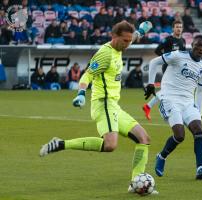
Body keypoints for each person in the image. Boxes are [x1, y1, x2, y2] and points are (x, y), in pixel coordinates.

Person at [39, 20, 156, 194]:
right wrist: (80, 94)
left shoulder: (121, 46)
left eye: (129, 40)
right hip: (103, 103)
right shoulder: (105, 54)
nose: (127, 44)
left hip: (113, 105)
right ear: (114, 36)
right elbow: (88, 74)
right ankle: (61, 144)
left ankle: (135, 182)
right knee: (110, 145)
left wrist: (141, 30)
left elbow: (133, 38)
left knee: (143, 138)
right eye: (125, 41)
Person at [144, 35, 202, 180]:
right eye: (198, 45)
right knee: (180, 135)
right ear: (191, 44)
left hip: (188, 102)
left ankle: (200, 168)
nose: (201, 49)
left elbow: (200, 91)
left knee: (198, 131)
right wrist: (150, 83)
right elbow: (154, 62)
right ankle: (161, 156)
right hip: (169, 98)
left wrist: (200, 112)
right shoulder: (177, 55)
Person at [143, 20, 186, 121]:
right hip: (168, 68)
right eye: (177, 27)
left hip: (177, 69)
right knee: (169, 90)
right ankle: (159, 109)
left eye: (180, 27)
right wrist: (165, 59)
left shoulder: (182, 41)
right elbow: (157, 50)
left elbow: (184, 54)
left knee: (168, 90)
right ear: (173, 28)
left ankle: (148, 106)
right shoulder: (168, 39)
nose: (179, 29)